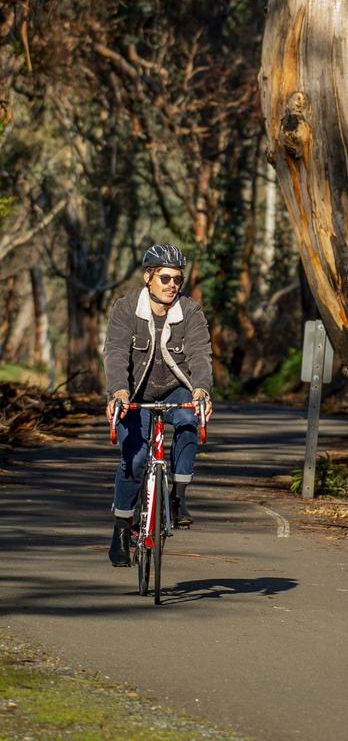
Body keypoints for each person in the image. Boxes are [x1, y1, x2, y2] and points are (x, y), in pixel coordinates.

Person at [103, 243, 213, 567]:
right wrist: (118, 393)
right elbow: (116, 354)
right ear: (148, 276)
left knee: (190, 419)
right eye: (165, 278)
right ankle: (122, 529)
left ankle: (178, 498)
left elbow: (200, 354)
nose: (172, 285)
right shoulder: (125, 309)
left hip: (176, 389)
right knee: (134, 460)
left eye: (177, 279)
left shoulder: (190, 311)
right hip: (135, 394)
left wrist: (202, 391)